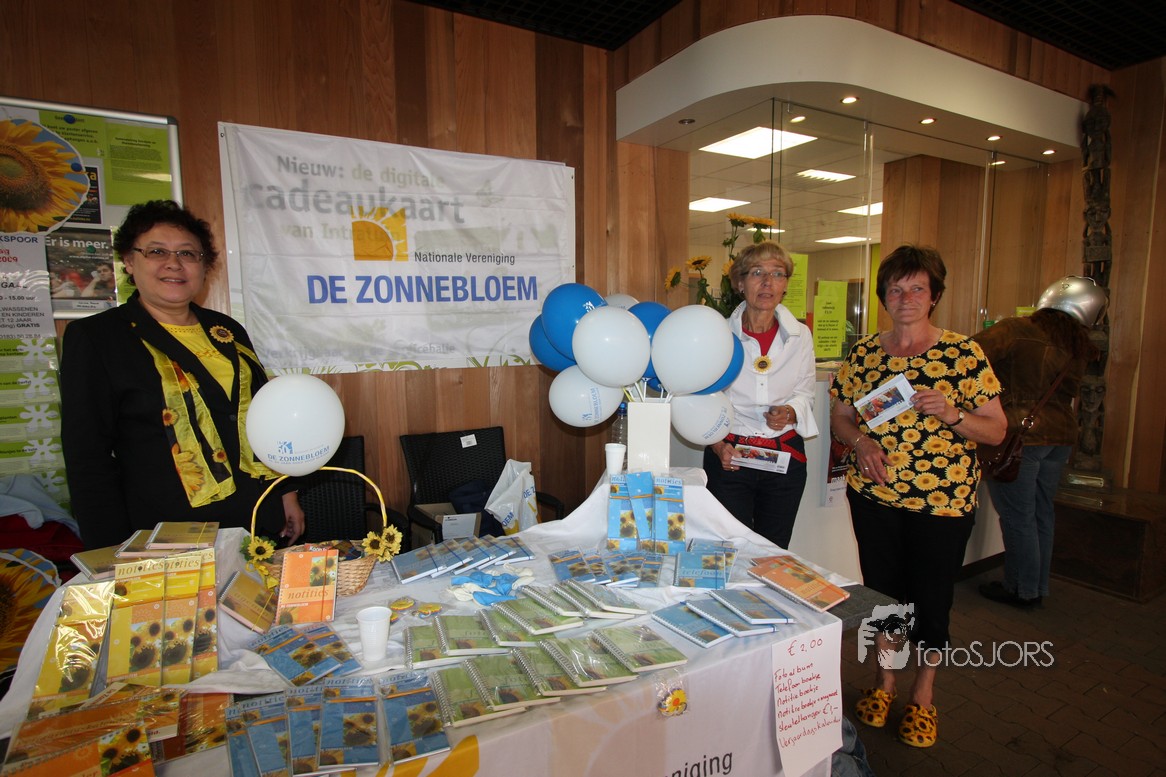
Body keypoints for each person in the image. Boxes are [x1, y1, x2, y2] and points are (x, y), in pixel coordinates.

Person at [829, 245, 1006, 748]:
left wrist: (953, 414)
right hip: (874, 498)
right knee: (884, 595)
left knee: (931, 598)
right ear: (884, 296)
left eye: (917, 288)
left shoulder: (962, 354)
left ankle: (923, 695)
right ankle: (885, 683)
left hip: (942, 503)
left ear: (934, 296)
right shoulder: (865, 353)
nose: (905, 298)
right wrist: (860, 443)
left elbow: (996, 430)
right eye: (896, 289)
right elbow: (841, 417)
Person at [60, 200, 304, 550]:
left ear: (204, 265)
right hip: (170, 533)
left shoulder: (226, 329)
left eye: (188, 254)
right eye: (157, 251)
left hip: (257, 519)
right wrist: (110, 552)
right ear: (129, 261)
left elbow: (263, 420)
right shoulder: (98, 337)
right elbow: (88, 457)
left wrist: (285, 493)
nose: (174, 263)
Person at [973, 276, 1104, 609]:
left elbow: (966, 355)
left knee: (1018, 517)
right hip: (1060, 437)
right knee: (1042, 514)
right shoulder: (1077, 345)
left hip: (1020, 436)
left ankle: (1022, 590)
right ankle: (1036, 585)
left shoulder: (1015, 329)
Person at [703, 240, 818, 548]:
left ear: (785, 285)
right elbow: (701, 399)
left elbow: (805, 393)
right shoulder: (718, 334)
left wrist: (789, 412)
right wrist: (718, 447)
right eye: (757, 273)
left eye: (777, 274)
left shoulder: (801, 336)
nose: (768, 282)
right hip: (730, 456)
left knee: (774, 553)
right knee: (729, 549)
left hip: (784, 460)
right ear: (740, 283)